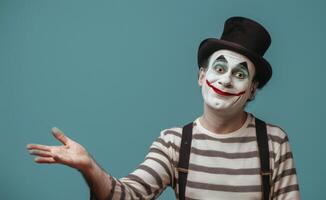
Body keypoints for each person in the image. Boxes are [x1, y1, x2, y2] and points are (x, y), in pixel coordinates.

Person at [27, 16, 300, 200]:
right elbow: (129, 195)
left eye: (240, 75)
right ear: (201, 77)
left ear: (252, 89)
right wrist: (89, 168)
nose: (226, 80)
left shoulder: (274, 142)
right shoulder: (174, 143)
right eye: (219, 68)